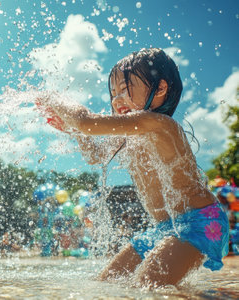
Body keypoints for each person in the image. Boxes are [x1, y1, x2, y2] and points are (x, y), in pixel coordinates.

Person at [38, 48, 229, 287]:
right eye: (113, 93)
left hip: (199, 222)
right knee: (107, 283)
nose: (116, 99)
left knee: (147, 286)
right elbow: (94, 156)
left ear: (160, 89)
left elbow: (87, 122)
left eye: (124, 90)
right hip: (163, 228)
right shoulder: (129, 136)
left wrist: (54, 99)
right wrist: (77, 132)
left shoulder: (160, 124)